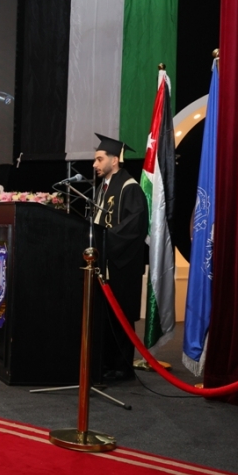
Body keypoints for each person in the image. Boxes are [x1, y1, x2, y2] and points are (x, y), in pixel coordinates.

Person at [92, 133, 149, 380]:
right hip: (104, 263)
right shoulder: (103, 187)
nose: (94, 164)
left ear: (114, 160)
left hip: (121, 265)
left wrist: (105, 241)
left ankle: (122, 368)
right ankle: (104, 364)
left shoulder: (129, 187)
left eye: (99, 159)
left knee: (119, 316)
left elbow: (134, 226)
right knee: (104, 317)